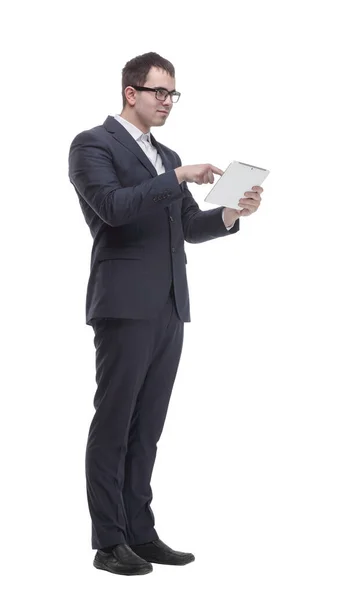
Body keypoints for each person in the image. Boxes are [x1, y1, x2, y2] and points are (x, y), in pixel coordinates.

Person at [68, 51, 263, 576]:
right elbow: (113, 207)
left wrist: (229, 212)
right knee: (114, 422)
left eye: (172, 93)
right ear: (131, 92)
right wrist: (177, 174)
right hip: (124, 304)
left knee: (147, 426)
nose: (167, 102)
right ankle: (109, 541)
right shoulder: (92, 144)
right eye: (159, 91)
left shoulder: (166, 153)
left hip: (170, 306)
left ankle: (140, 531)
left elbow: (190, 229)